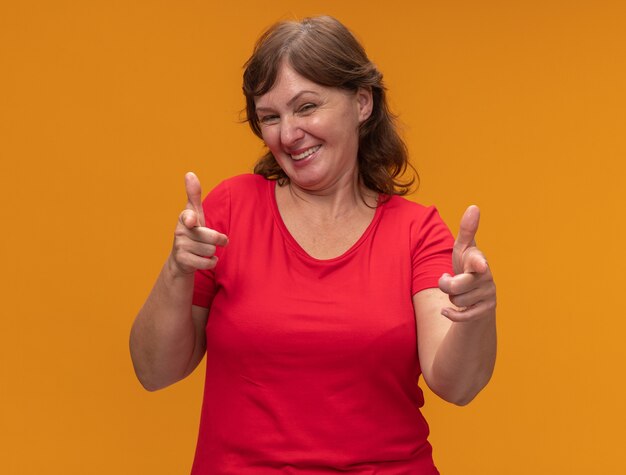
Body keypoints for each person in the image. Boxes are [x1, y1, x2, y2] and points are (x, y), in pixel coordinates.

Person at [130, 15, 497, 475]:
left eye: (306, 107)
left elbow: (457, 385)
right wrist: (176, 270)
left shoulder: (416, 232)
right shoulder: (228, 211)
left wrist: (476, 313)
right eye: (270, 117)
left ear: (362, 102)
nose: (287, 134)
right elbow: (154, 372)